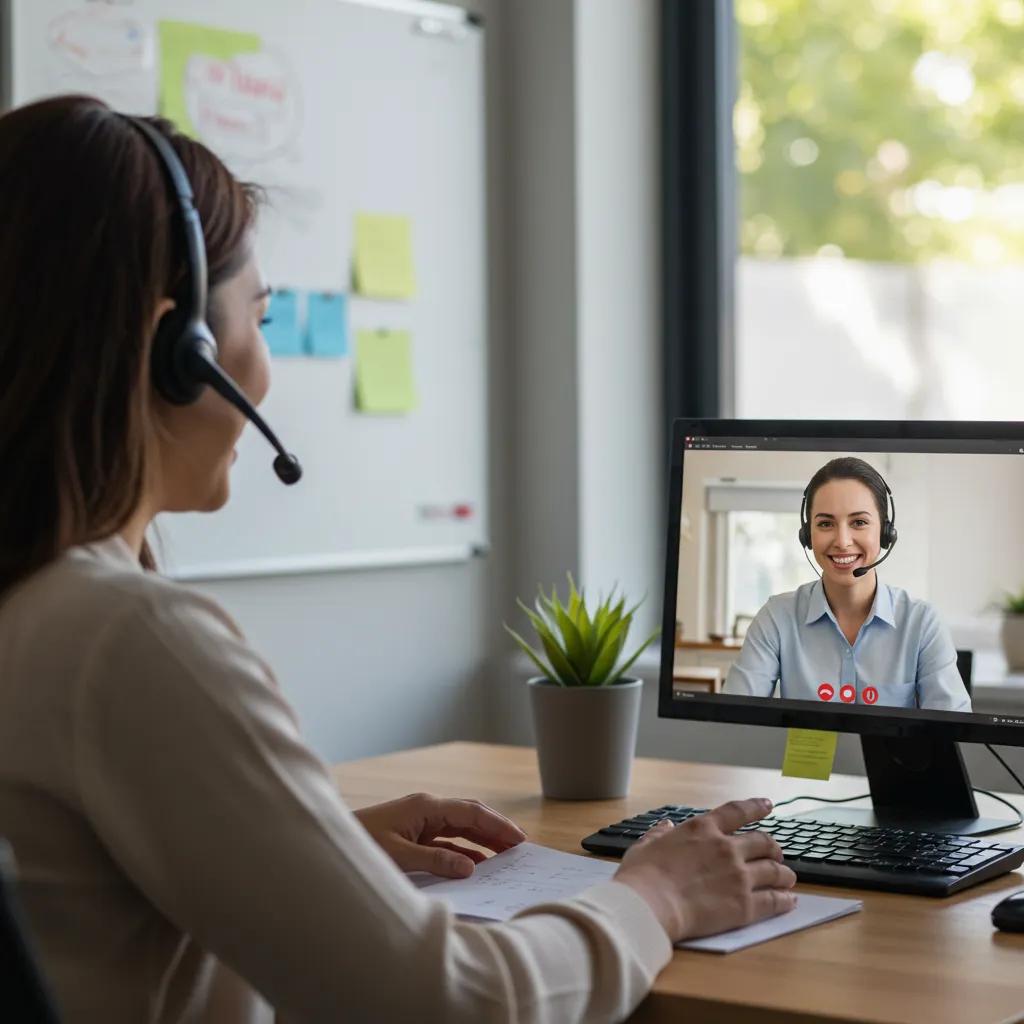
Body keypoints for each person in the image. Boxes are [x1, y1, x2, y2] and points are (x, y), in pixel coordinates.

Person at [0, 95, 796, 1023]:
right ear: (180, 351)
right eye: (255, 319)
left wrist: (316, 845)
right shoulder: (122, 640)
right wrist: (656, 898)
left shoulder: (39, 614)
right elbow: (447, 1003)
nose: (264, 370)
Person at [723, 457, 971, 712]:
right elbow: (731, 720)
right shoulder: (776, 617)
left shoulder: (922, 623)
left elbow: (955, 733)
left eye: (859, 522)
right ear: (807, 535)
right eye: (826, 524)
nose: (842, 541)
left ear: (886, 532)